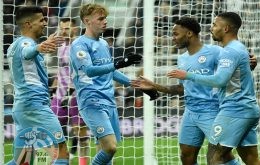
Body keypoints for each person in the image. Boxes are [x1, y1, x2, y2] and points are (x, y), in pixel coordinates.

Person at [132, 16, 257, 165]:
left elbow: (234, 68)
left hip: (211, 109)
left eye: (176, 34)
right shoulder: (182, 59)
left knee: (220, 156)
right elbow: (181, 88)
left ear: (189, 34)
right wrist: (155, 86)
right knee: (186, 156)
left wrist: (250, 64)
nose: (173, 38)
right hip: (190, 111)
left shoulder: (216, 51)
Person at [167, 12, 260, 165]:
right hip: (248, 109)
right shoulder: (238, 48)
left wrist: (188, 75)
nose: (211, 28)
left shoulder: (228, 51)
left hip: (235, 110)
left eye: (214, 25)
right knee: (251, 160)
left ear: (226, 29)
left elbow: (219, 80)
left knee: (215, 158)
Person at [69, 3, 158, 165]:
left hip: (109, 101)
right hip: (91, 101)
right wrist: (120, 63)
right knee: (110, 147)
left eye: (105, 18)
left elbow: (110, 71)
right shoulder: (79, 45)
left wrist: (136, 84)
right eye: (101, 18)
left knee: (107, 154)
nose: (105, 22)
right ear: (87, 21)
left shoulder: (103, 43)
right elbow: (89, 70)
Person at [6, 6, 69, 165]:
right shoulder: (26, 43)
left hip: (23, 108)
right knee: (61, 151)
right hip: (35, 108)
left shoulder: (13, 46)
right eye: (41, 20)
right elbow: (28, 51)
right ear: (28, 24)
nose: (45, 23)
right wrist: (39, 47)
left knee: (23, 161)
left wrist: (39, 47)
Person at [50, 18, 89, 164]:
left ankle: (82, 162)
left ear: (75, 29)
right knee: (54, 128)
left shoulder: (79, 46)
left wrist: (69, 92)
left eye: (67, 28)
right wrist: (53, 88)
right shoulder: (61, 46)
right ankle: (62, 158)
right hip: (59, 95)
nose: (63, 31)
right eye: (62, 28)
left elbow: (81, 72)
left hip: (76, 95)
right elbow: (62, 70)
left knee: (80, 130)